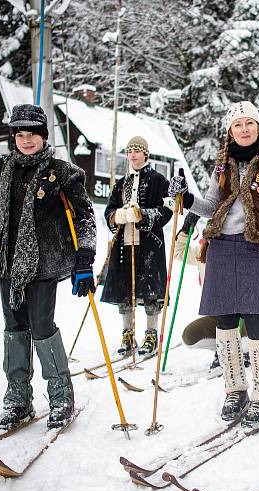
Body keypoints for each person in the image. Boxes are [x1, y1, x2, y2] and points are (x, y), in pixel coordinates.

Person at [168, 100, 259, 429]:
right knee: (225, 322)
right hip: (221, 246)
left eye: (249, 124)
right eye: (237, 125)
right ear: (229, 131)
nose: (244, 129)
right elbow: (210, 205)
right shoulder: (222, 165)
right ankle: (236, 390)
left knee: (256, 319)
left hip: (257, 245)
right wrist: (186, 198)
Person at [0, 104, 96, 430]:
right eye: (20, 134)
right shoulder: (2, 170)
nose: (26, 140)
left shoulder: (63, 172)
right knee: (13, 328)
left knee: (41, 326)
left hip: (45, 263)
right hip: (6, 263)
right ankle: (17, 400)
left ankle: (60, 398)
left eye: (32, 134)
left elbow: (84, 218)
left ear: (43, 135)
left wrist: (85, 259)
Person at [100, 136, 172, 359]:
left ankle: (151, 334)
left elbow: (167, 210)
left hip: (149, 245)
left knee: (150, 291)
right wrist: (117, 216)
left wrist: (143, 215)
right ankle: (128, 333)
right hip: (125, 244)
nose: (133, 155)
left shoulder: (160, 181)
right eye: (130, 151)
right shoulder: (121, 184)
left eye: (137, 151)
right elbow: (109, 211)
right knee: (125, 292)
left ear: (145, 154)